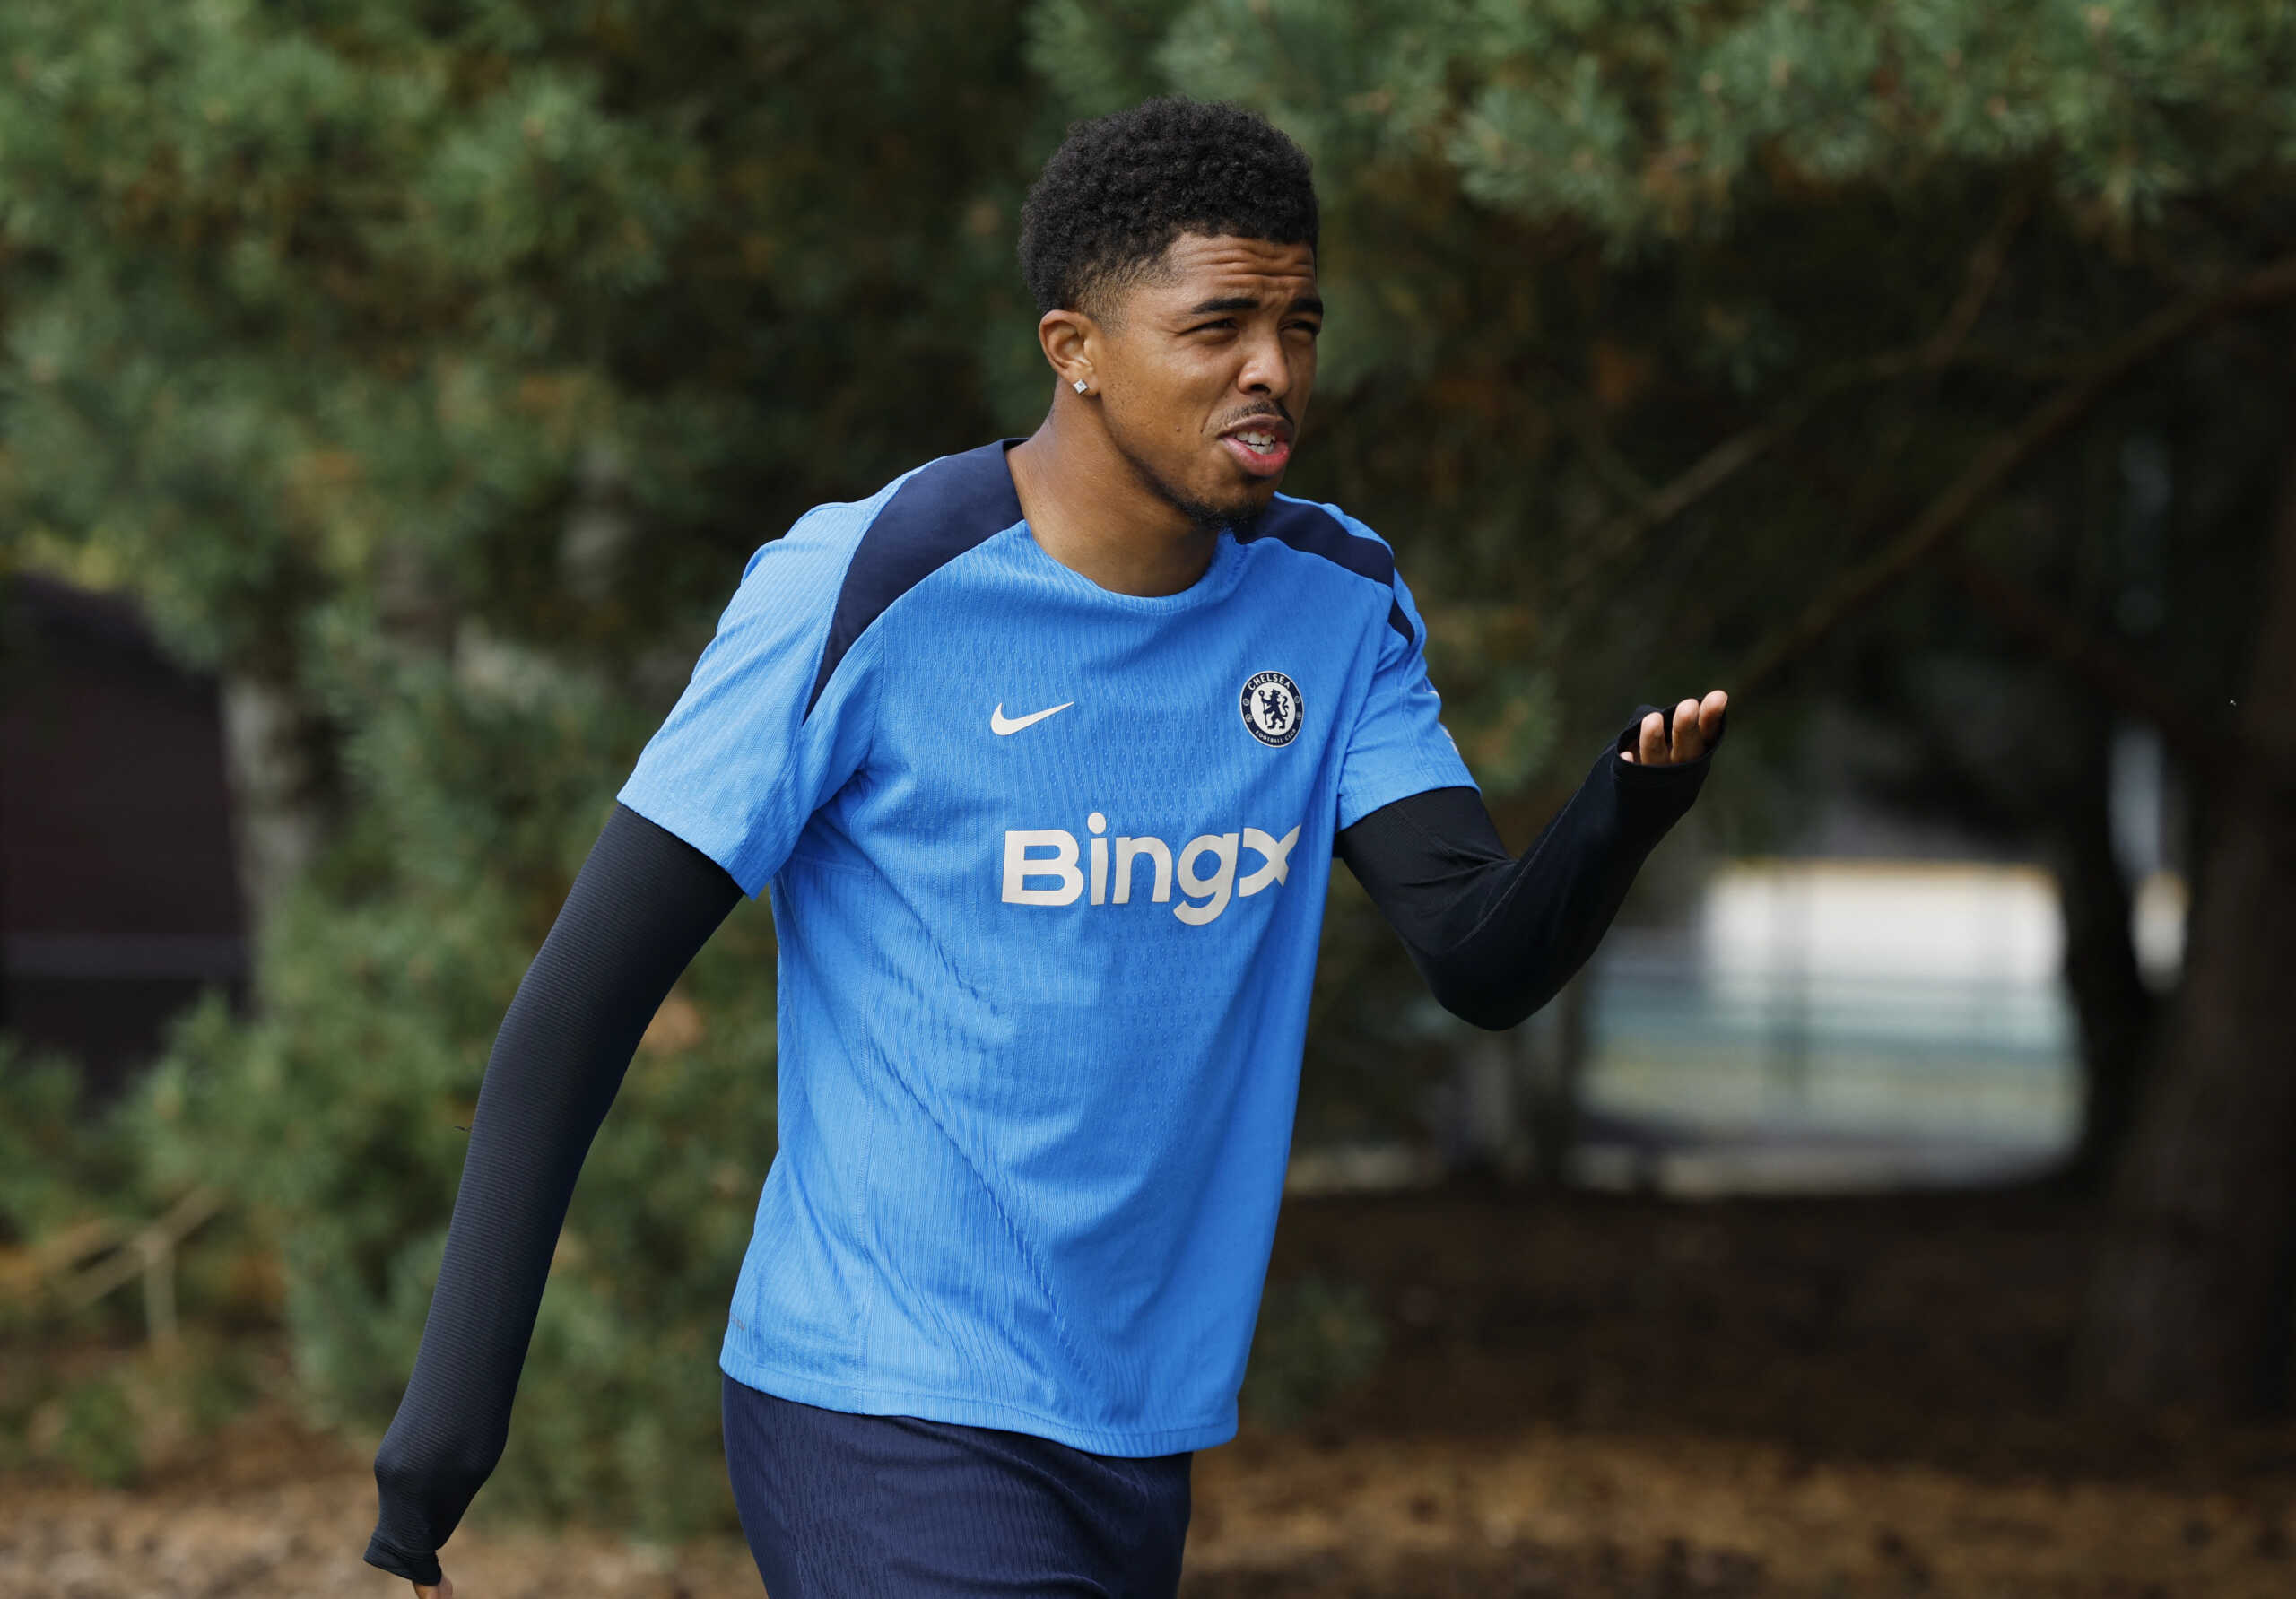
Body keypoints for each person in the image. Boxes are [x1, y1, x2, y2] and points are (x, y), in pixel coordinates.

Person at [362, 95, 1728, 1598]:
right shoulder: (870, 583)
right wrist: (444, 1437)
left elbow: (1477, 954)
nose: (1272, 371)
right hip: (878, 1400)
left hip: (1138, 1426)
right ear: (1074, 348)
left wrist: (1620, 813)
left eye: (1300, 324)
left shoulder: (1334, 602)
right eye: (1218, 327)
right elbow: (581, 1006)